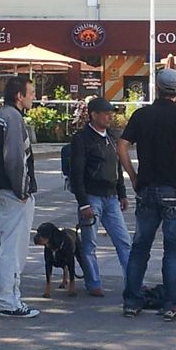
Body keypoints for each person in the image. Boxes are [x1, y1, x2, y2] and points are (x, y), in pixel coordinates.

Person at [118, 69, 176, 322]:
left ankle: (131, 301)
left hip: (147, 188)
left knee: (140, 246)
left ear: (157, 88)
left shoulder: (142, 115)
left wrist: (132, 174)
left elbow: (121, 145)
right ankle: (172, 303)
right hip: (173, 188)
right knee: (173, 249)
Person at [0, 76, 40, 318]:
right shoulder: (13, 118)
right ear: (19, 95)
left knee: (3, 246)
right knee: (14, 249)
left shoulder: (0, 115)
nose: (33, 97)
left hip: (1, 189)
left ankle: (4, 298)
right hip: (12, 191)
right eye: (31, 92)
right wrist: (23, 190)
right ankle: (10, 301)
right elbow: (16, 159)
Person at [70, 97, 131, 297]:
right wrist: (83, 203)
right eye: (105, 113)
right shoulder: (82, 139)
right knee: (89, 243)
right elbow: (76, 173)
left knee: (123, 241)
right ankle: (93, 282)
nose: (109, 116)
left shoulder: (112, 137)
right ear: (93, 115)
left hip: (111, 196)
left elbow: (117, 166)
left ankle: (133, 280)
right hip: (91, 196)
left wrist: (122, 193)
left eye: (111, 112)